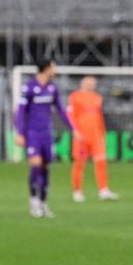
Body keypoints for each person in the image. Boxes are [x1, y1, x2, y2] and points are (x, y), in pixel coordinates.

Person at [15, 59, 79, 218]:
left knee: (46, 167)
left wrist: (73, 128)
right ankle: (33, 201)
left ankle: (43, 202)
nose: (55, 70)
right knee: (36, 165)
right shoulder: (29, 87)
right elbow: (20, 111)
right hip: (32, 133)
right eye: (53, 67)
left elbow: (61, 110)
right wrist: (20, 132)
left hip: (46, 134)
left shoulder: (52, 88)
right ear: (47, 68)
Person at [68, 76, 118, 202]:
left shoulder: (97, 97)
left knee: (101, 162)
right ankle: (77, 191)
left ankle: (103, 190)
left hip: (96, 136)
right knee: (79, 163)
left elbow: (99, 116)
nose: (92, 85)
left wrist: (102, 132)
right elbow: (71, 116)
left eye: (93, 83)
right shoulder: (75, 97)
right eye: (89, 82)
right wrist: (75, 131)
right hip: (81, 136)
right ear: (83, 83)